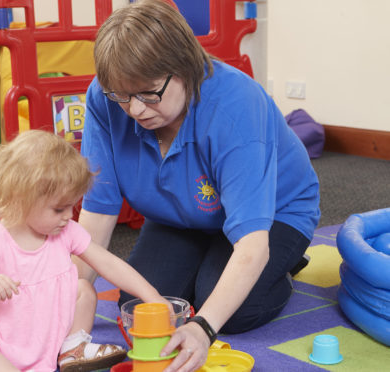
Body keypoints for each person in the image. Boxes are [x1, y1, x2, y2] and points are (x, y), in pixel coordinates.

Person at [77, 0, 321, 371]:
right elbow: (98, 210)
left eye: (148, 93)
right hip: (180, 213)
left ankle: (283, 267)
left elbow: (252, 247)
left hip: (273, 215)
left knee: (235, 311)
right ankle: (211, 262)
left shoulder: (235, 105)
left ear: (185, 68)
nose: (136, 110)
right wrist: (75, 287)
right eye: (123, 96)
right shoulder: (106, 97)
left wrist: (204, 327)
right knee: (142, 305)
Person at [0, 130, 169, 372]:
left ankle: (72, 350)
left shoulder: (66, 231)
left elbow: (108, 264)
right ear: (20, 200)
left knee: (84, 289)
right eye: (58, 209)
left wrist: (153, 296)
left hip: (47, 328)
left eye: (72, 207)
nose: (69, 216)